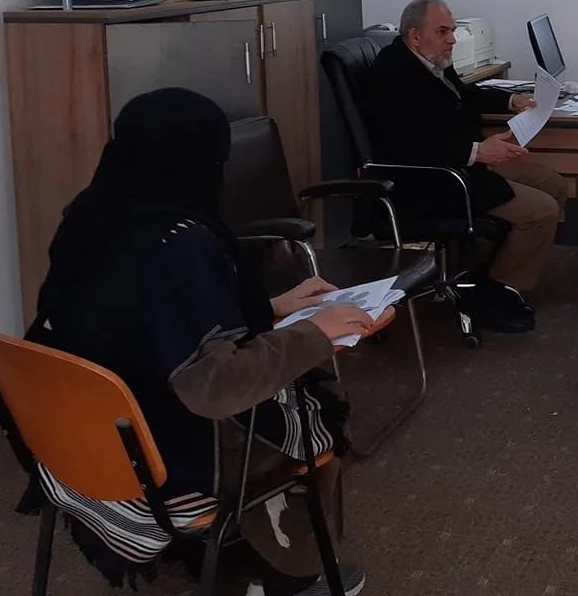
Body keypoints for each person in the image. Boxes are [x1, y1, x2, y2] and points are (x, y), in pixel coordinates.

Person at [25, 88, 372, 595]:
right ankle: (291, 580)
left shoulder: (88, 216)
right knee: (315, 410)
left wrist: (271, 307)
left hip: (81, 433)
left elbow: (138, 320)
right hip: (163, 452)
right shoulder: (181, 240)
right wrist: (315, 332)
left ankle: (214, 553)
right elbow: (214, 388)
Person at [366, 0, 567, 332]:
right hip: (433, 180)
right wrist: (477, 152)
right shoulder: (393, 74)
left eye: (452, 30)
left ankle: (489, 270)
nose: (452, 39)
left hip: (462, 163)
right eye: (442, 31)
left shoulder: (431, 61)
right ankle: (494, 292)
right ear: (414, 35)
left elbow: (466, 96)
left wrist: (512, 99)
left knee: (555, 185)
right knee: (542, 211)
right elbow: (409, 146)